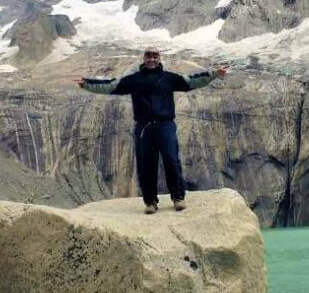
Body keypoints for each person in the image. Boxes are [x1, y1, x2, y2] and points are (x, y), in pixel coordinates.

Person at [76, 48, 228, 214]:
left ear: (159, 58)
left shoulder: (169, 78)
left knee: (171, 160)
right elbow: (111, 85)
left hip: (165, 125)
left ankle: (178, 197)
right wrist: (87, 84)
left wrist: (214, 73)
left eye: (155, 56)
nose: (152, 59)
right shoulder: (134, 80)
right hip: (144, 127)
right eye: (149, 56)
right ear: (144, 58)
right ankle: (150, 202)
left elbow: (191, 81)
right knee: (146, 165)